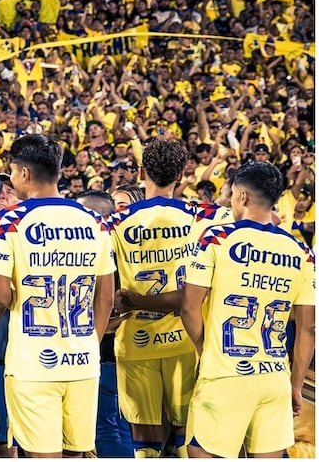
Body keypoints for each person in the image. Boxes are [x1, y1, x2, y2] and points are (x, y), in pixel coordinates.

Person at [0, 134, 116, 457]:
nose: (11, 180)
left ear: (24, 174)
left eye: (12, 172)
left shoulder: (11, 221)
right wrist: (89, 343)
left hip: (33, 364)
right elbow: (107, 298)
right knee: (78, 453)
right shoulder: (95, 222)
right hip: (82, 361)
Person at [181, 161, 315, 458]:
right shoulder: (301, 252)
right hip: (274, 378)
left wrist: (206, 350)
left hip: (225, 375)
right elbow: (308, 328)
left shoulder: (217, 238)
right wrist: (295, 385)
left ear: (242, 196)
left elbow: (188, 308)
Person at [105, 139, 214, 457]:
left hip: (136, 340)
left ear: (141, 172)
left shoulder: (116, 222)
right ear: (181, 174)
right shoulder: (202, 218)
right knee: (184, 432)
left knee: (145, 439)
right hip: (186, 339)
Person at [74, 188, 134, 458]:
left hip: (108, 359)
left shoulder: (119, 260)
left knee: (108, 430)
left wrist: (99, 331)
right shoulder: (90, 255)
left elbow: (125, 312)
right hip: (95, 358)